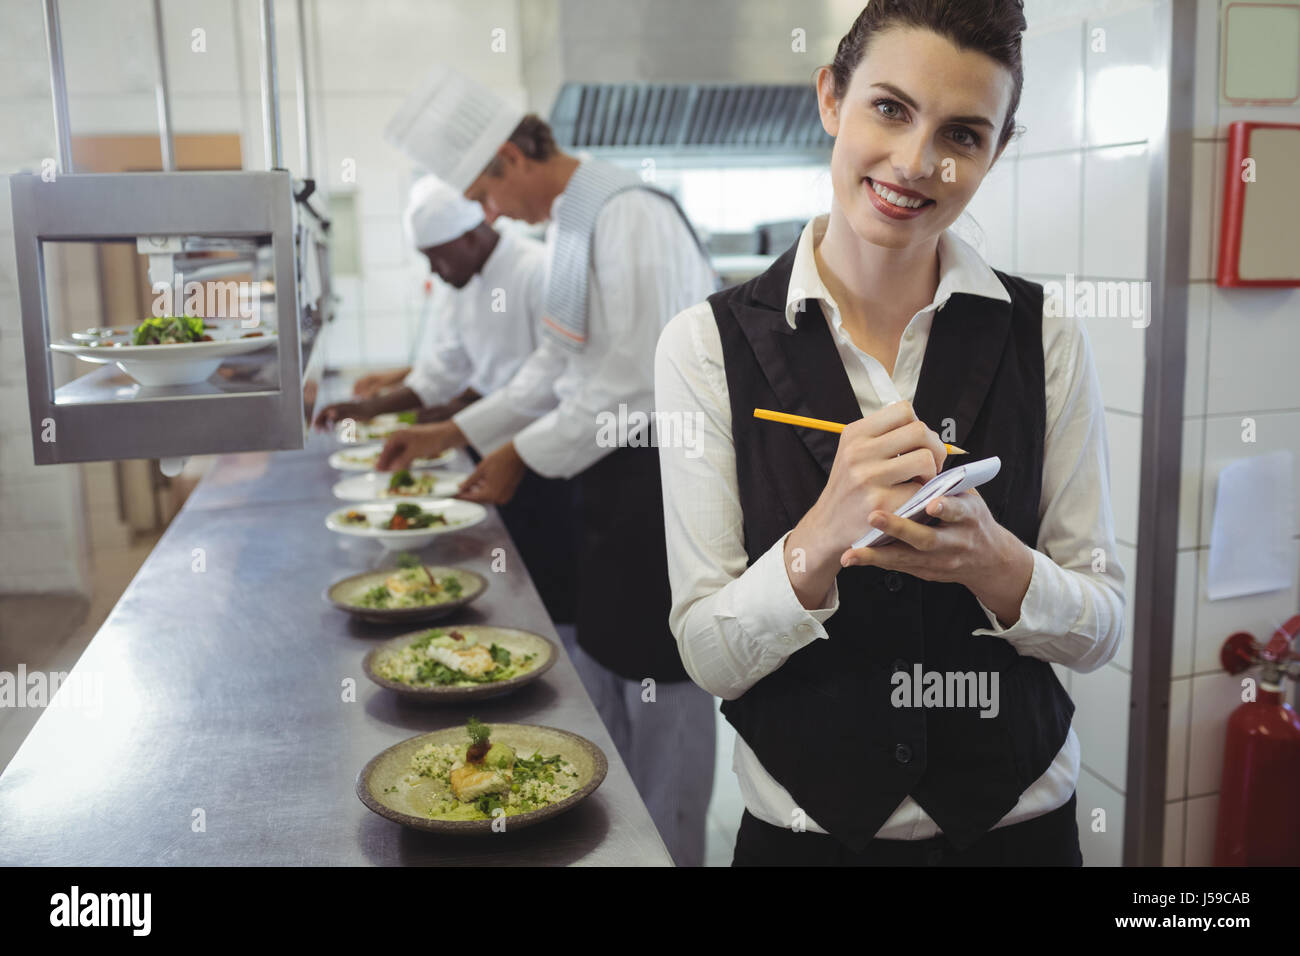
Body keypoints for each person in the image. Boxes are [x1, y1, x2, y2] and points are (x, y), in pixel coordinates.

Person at [655, 0, 1125, 866]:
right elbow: (709, 657)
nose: (916, 162)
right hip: (806, 839)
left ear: (996, 152)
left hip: (1018, 832)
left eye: (963, 133)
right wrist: (818, 540)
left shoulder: (1046, 334)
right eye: (890, 108)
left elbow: (1102, 628)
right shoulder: (704, 346)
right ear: (832, 98)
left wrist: (997, 563)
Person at [378, 67, 719, 866]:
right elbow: (551, 370)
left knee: (663, 697)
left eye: (484, 194)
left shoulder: (627, 213)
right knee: (604, 676)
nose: (490, 212)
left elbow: (631, 386)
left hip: (660, 490)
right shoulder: (573, 221)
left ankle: (673, 855)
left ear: (507, 158)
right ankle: (624, 848)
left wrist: (516, 455)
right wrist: (453, 432)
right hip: (603, 492)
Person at [317, 173, 577, 624]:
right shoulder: (465, 283)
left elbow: (546, 383)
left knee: (549, 580)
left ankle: (558, 660)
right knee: (505, 571)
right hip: (487, 442)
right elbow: (444, 367)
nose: (435, 270)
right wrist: (370, 408)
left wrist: (447, 427)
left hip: (542, 457)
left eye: (437, 257)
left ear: (471, 235)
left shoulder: (538, 270)